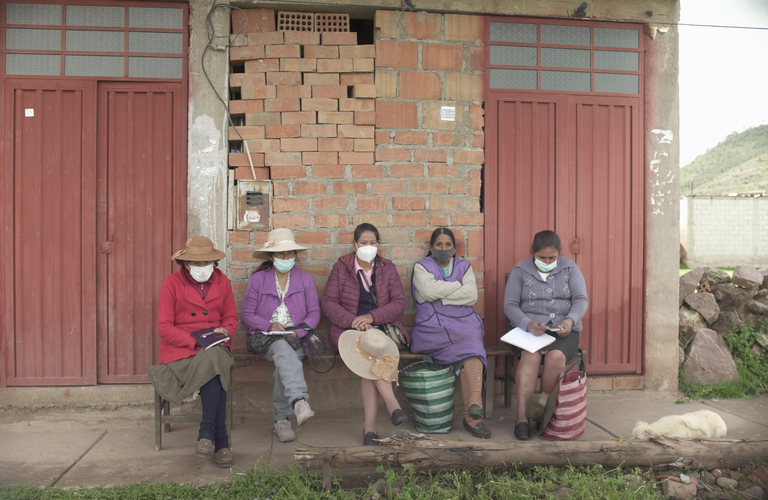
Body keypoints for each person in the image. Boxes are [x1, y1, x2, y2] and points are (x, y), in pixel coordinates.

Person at [147, 236, 238, 467]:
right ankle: (220, 438)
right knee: (215, 364)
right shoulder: (171, 283)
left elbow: (231, 318)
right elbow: (164, 328)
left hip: (216, 345)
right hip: (182, 352)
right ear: (186, 264)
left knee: (215, 356)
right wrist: (195, 341)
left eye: (206, 263)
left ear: (214, 263)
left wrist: (225, 331)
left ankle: (207, 434)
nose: (202, 268)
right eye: (196, 264)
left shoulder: (223, 282)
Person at [321, 223, 409, 445]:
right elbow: (329, 302)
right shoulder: (342, 267)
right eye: (363, 242)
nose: (368, 246)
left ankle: (370, 429)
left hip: (380, 328)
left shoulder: (387, 268)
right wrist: (353, 321)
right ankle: (392, 404)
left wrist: (372, 317)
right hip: (347, 330)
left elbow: (399, 302)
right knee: (367, 352)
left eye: (372, 243)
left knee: (371, 352)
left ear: (378, 245)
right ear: (355, 244)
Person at [503, 230, 589, 440]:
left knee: (555, 357)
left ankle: (544, 412)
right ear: (533, 253)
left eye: (552, 257)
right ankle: (522, 417)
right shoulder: (520, 271)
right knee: (531, 356)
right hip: (529, 331)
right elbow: (510, 305)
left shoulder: (570, 268)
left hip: (563, 331)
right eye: (542, 258)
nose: (548, 261)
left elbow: (581, 299)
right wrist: (527, 323)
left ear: (559, 253)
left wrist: (569, 321)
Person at [241, 228, 320, 443]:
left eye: (290, 253)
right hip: (267, 338)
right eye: (281, 254)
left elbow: (314, 313)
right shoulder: (258, 280)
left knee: (285, 364)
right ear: (270, 256)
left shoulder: (305, 279)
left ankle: (281, 421)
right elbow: (247, 315)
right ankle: (299, 401)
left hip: (297, 337)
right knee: (283, 350)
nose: (286, 258)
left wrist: (299, 330)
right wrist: (269, 324)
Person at [410, 228, 490, 439]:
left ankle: (474, 410)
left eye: (448, 245)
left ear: (454, 248)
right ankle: (472, 414)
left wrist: (441, 295)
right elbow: (426, 292)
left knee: (472, 342)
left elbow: (471, 295)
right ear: (431, 247)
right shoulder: (422, 267)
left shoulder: (464, 266)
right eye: (439, 245)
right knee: (468, 343)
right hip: (432, 325)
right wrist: (456, 287)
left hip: (464, 322)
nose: (443, 249)